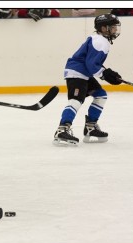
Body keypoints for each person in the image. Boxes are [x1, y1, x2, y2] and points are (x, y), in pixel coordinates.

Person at [53, 13, 122, 146]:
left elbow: (91, 63)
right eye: (112, 27)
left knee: (100, 95)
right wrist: (105, 74)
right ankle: (62, 129)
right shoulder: (100, 41)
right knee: (76, 100)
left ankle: (91, 127)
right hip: (77, 72)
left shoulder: (100, 39)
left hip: (83, 73)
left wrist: (108, 73)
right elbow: (91, 65)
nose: (115, 30)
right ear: (103, 28)